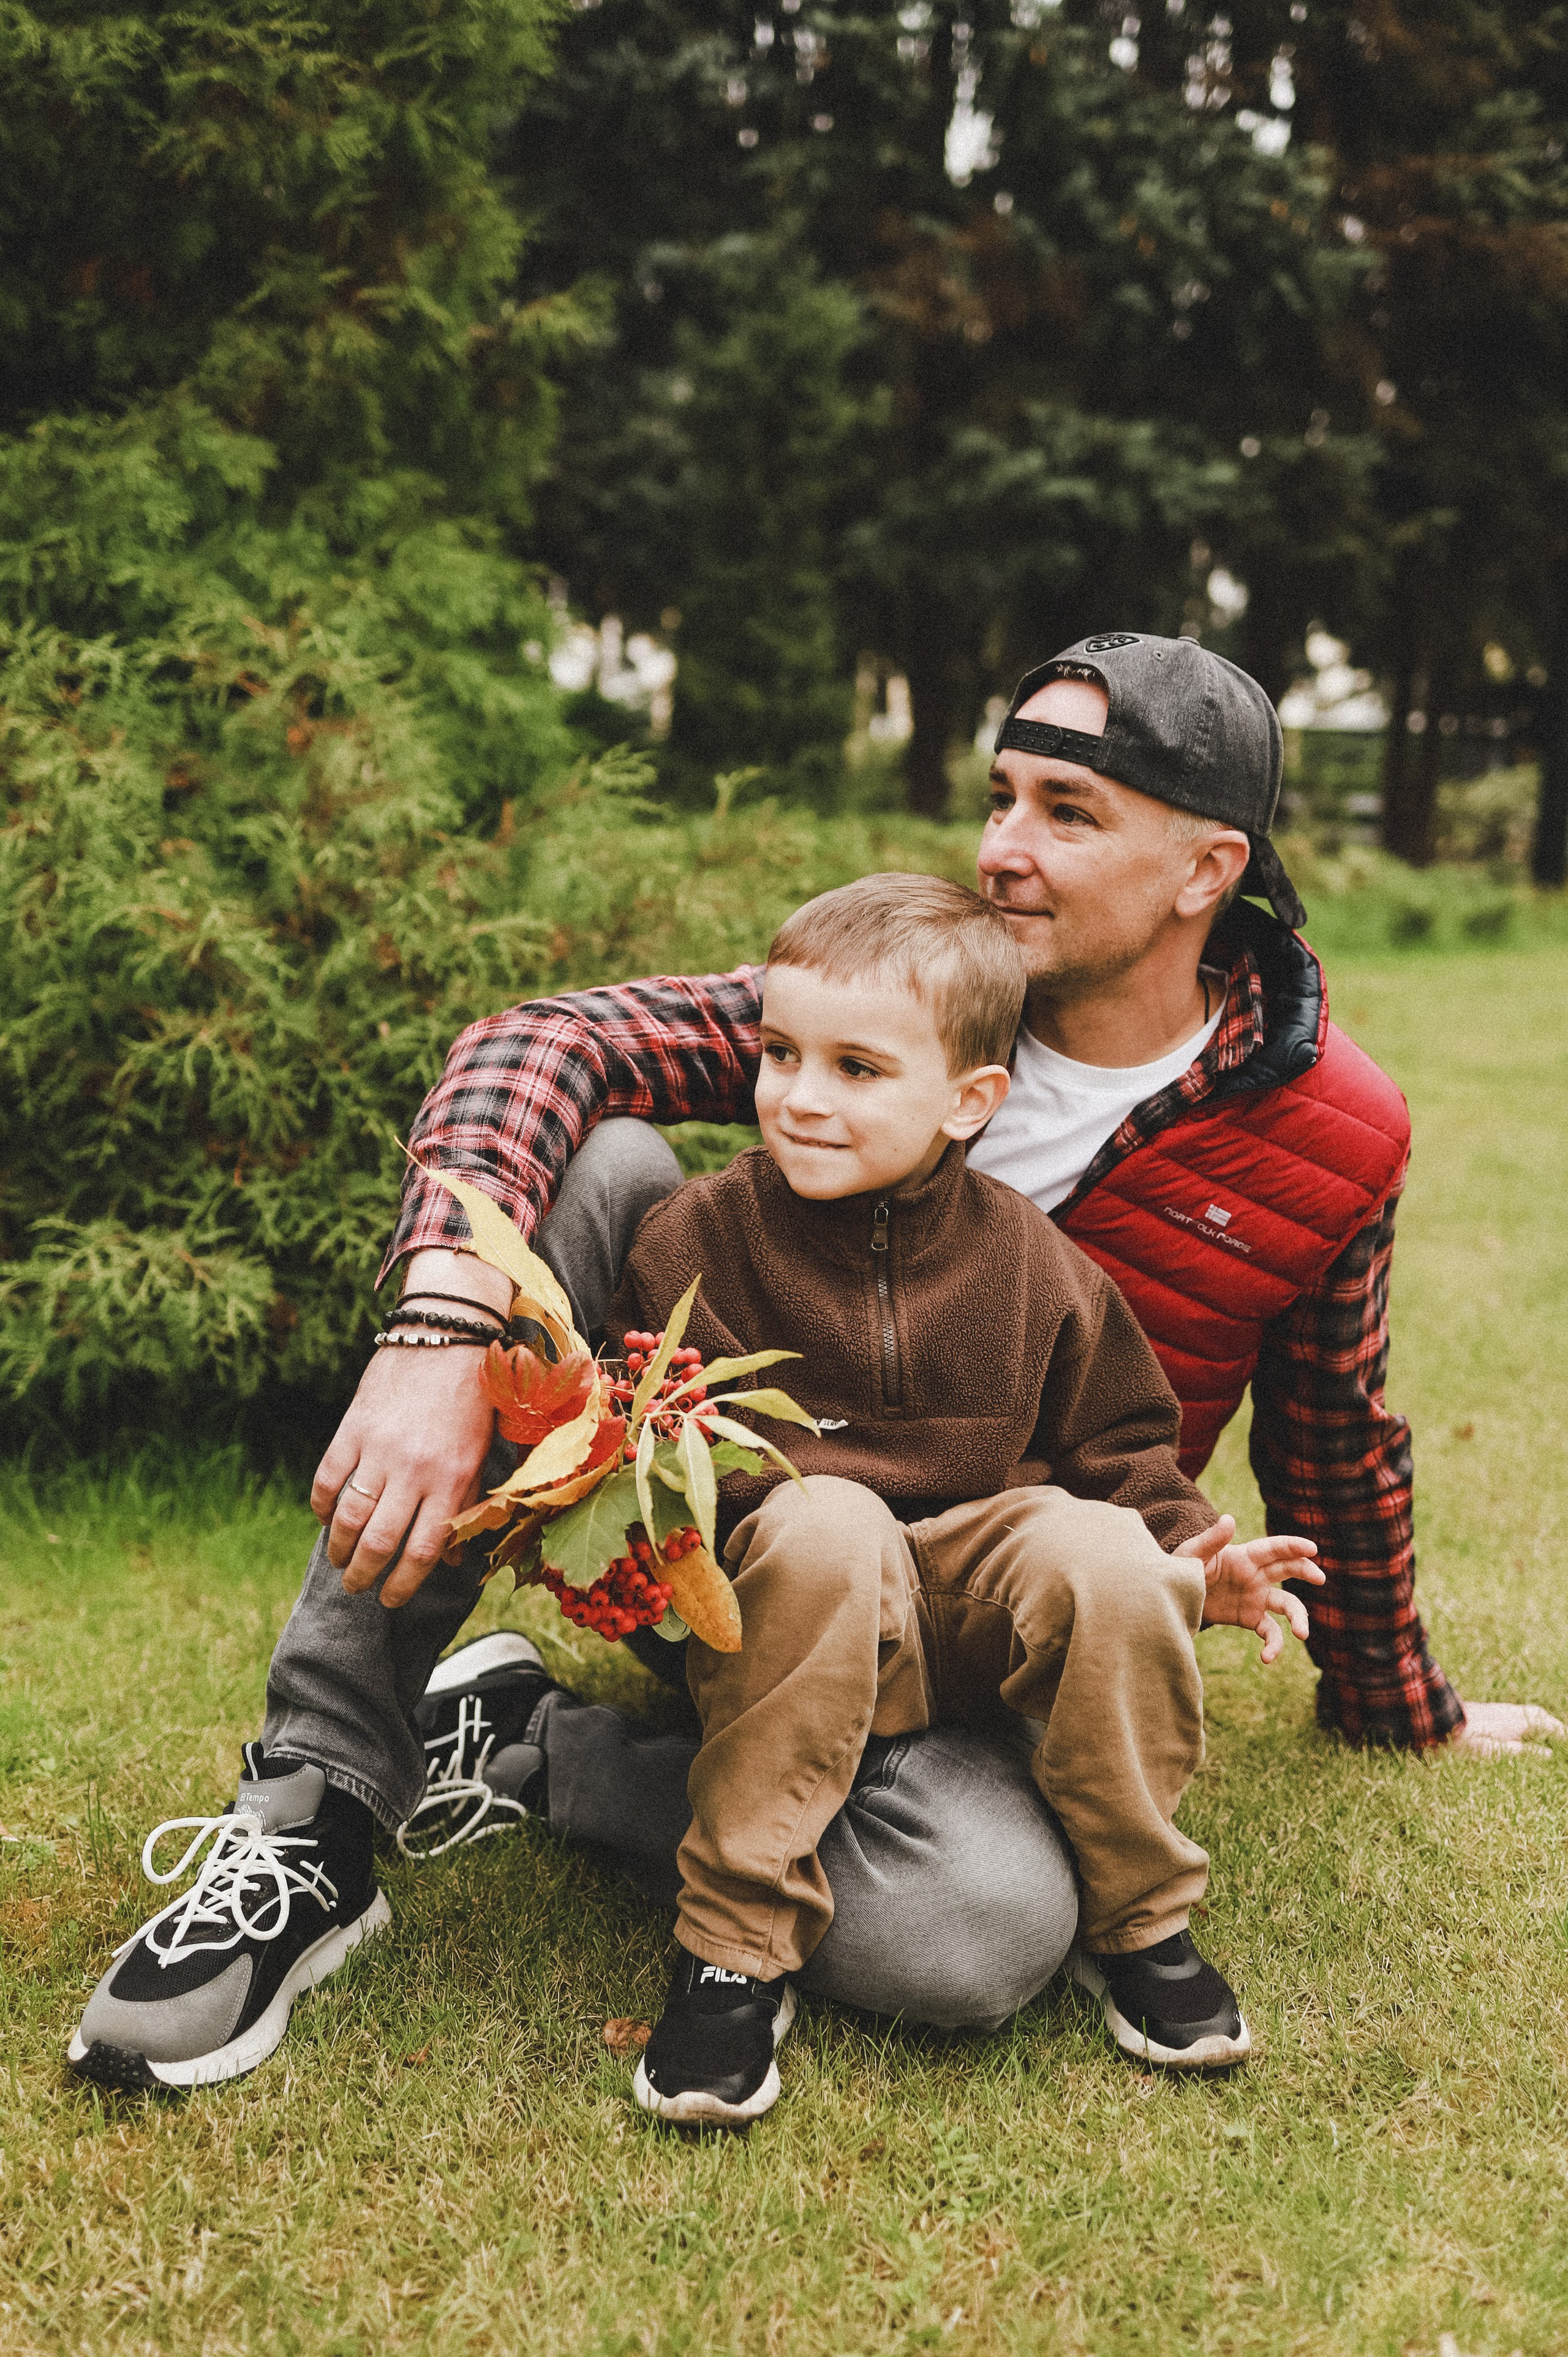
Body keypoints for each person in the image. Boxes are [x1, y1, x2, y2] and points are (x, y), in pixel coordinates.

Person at [69, 632, 1559, 2093]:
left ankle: (534, 1746)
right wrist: (442, 1318)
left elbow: (1332, 1426)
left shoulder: (1325, 1127)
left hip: (984, 1620)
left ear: (1204, 870)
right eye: (997, 797)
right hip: (751, 1555)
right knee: (596, 1161)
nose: (1002, 849)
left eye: (1065, 812)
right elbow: (541, 1044)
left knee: (974, 1932)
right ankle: (314, 1807)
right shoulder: (904, 994)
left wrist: (1392, 1697)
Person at [606, 873, 1322, 2124]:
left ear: (968, 1101)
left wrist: (1189, 1558)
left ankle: (1138, 1919)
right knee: (827, 1521)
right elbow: (686, 1473)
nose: (801, 1095)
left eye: (856, 1068)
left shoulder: (1026, 1261)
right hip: (804, 1600)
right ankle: (733, 1947)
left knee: (1095, 1550)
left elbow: (1119, 1445)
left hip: (968, 1608)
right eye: (780, 1054)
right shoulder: (694, 1241)